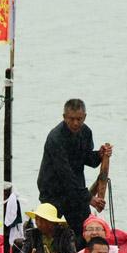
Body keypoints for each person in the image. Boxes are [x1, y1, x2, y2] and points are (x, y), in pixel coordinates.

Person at [37, 99, 113, 244]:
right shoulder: (55, 138)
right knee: (50, 232)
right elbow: (65, 174)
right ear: (64, 117)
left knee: (84, 230)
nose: (76, 123)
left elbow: (86, 159)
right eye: (71, 119)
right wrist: (89, 198)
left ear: (85, 117)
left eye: (79, 119)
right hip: (52, 191)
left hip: (75, 191)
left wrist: (99, 154)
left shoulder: (86, 132)